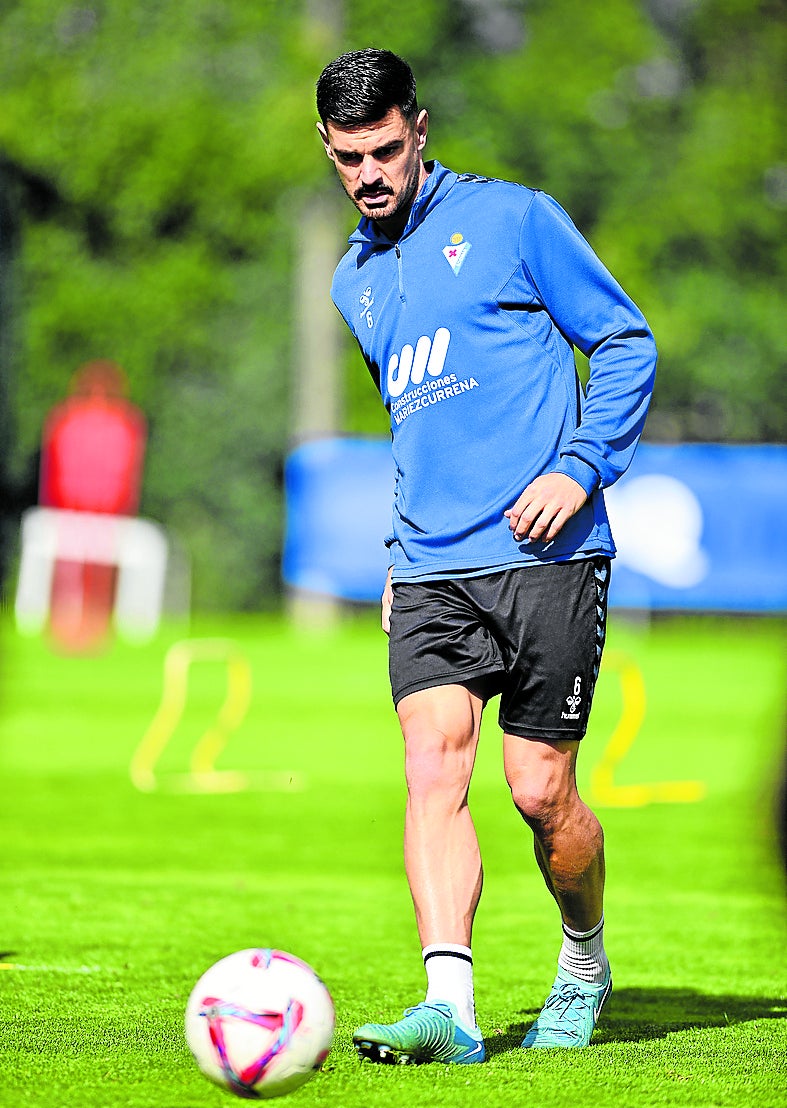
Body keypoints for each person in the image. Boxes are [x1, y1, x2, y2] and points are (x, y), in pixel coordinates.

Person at [315, 48, 657, 1064]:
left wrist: (581, 467)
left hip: (547, 552)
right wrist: (396, 549)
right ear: (327, 151)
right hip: (430, 565)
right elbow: (412, 425)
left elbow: (624, 340)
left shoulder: (513, 220)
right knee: (430, 765)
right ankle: (450, 1010)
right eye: (347, 157)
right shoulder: (351, 280)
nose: (369, 174)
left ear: (418, 130)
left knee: (539, 791)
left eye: (384, 150)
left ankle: (583, 960)